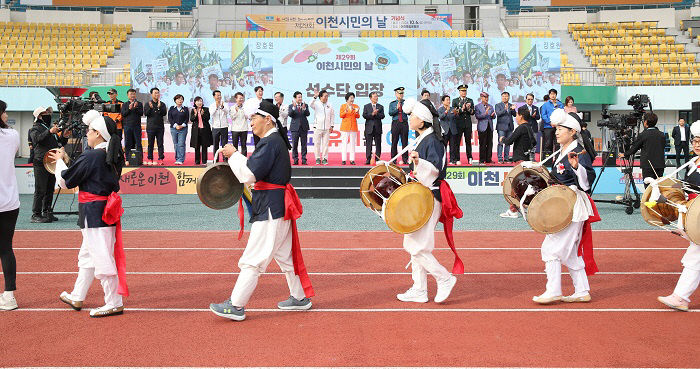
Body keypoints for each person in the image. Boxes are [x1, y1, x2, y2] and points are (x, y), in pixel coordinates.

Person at [210, 99, 313, 321]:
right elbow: (256, 170)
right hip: (278, 206)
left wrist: (234, 155)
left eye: (253, 118)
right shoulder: (275, 141)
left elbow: (249, 174)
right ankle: (299, 297)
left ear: (268, 119)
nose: (251, 124)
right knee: (285, 256)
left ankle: (236, 305)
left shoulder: (270, 142)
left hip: (270, 208)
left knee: (254, 258)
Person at [51, 111, 128, 317]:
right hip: (102, 212)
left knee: (101, 258)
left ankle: (113, 301)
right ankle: (77, 295)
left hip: (94, 213)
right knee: (87, 256)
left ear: (99, 134)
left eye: (90, 131)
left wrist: (60, 162)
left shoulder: (92, 155)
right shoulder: (112, 154)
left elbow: (66, 181)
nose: (87, 134)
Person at [394, 99, 463, 304]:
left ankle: (444, 278)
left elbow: (435, 170)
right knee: (415, 244)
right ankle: (419, 289)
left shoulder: (432, 140)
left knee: (416, 246)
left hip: (430, 196)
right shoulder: (423, 139)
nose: (409, 119)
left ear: (422, 121)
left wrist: (418, 162)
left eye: (412, 116)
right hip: (421, 197)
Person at [531, 110, 599, 304]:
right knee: (569, 253)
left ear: (572, 131)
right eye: (557, 129)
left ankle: (553, 290)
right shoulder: (562, 151)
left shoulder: (577, 152)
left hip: (571, 205)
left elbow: (587, 184)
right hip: (563, 204)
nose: (557, 132)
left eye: (561, 129)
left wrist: (578, 167)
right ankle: (582, 290)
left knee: (550, 249)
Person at [658, 121, 700, 311]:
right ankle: (680, 296)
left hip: (697, 214)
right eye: (695, 141)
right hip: (695, 214)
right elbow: (684, 185)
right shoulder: (693, 162)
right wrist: (662, 185)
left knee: (695, 257)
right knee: (695, 256)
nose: (697, 144)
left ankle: (680, 297)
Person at [499, 105, 537, 219]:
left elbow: (510, 141)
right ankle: (522, 206)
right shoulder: (529, 127)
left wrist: (502, 139)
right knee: (523, 185)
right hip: (526, 160)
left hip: (519, 160)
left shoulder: (521, 128)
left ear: (520, 116)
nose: (516, 117)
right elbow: (534, 142)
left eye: (517, 115)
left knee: (515, 186)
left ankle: (513, 210)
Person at [29, 106, 65, 223]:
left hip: (50, 162)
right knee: (40, 189)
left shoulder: (47, 128)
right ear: (39, 116)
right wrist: (49, 131)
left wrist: (65, 136)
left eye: (49, 112)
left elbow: (58, 143)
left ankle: (47, 212)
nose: (49, 114)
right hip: (40, 162)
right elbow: (37, 140)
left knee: (49, 188)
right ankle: (36, 214)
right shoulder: (35, 128)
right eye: (46, 113)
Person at [0, 100, 20, 310]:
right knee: (6, 248)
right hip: (9, 201)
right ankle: (9, 295)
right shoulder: (12, 135)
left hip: (8, 200)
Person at [622, 112, 666, 186]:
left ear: (645, 122)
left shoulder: (643, 135)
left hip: (648, 165)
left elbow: (634, 148)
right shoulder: (662, 134)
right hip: (660, 165)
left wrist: (625, 154)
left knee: (648, 187)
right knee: (658, 187)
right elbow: (663, 146)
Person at [309, 89, 334, 165]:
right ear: (320, 97)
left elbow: (332, 115)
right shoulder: (316, 104)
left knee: (325, 144)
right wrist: (314, 97)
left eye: (327, 96)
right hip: (318, 127)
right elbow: (310, 104)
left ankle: (325, 158)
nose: (326, 98)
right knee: (317, 144)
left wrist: (332, 125)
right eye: (325, 96)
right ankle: (317, 158)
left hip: (327, 128)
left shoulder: (329, 105)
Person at [451, 84, 475, 165]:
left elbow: (473, 112)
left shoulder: (470, 100)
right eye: (462, 91)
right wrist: (462, 109)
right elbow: (455, 112)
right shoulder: (455, 101)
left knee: (468, 142)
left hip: (468, 124)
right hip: (459, 123)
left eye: (465, 91)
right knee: (457, 142)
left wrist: (468, 109)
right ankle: (457, 158)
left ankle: (470, 157)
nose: (464, 92)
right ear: (459, 91)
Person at [143, 87, 167, 166]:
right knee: (150, 144)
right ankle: (150, 158)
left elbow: (164, 113)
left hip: (160, 127)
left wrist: (159, 107)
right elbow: (146, 113)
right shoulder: (148, 104)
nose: (157, 94)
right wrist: (151, 108)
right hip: (151, 127)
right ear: (151, 94)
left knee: (160, 143)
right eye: (155, 93)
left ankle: (161, 158)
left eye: (158, 93)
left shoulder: (162, 104)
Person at [539, 89, 564, 159]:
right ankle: (547, 160)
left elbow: (562, 114)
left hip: (558, 127)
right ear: (549, 95)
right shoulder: (545, 105)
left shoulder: (560, 104)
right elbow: (543, 115)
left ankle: (557, 159)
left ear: (556, 95)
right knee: (548, 143)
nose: (553, 95)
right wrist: (550, 122)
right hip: (548, 127)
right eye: (551, 94)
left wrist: (557, 123)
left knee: (558, 143)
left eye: (554, 94)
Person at [121, 89, 143, 163]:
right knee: (127, 143)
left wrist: (136, 108)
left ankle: (140, 159)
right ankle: (127, 158)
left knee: (138, 143)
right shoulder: (124, 104)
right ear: (128, 95)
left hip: (136, 126)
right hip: (127, 126)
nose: (132, 95)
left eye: (134, 94)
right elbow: (123, 114)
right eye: (131, 94)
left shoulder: (139, 104)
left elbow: (141, 113)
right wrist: (129, 109)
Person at [288, 91, 310, 165]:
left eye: (301, 97)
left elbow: (308, 114)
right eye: (298, 97)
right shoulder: (291, 106)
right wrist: (294, 107)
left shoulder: (305, 105)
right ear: (295, 98)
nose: (300, 98)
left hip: (304, 127)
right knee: (294, 145)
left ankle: (304, 159)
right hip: (295, 128)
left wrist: (304, 109)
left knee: (304, 145)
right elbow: (290, 114)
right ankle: (295, 159)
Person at [388, 87, 409, 164]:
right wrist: (397, 109)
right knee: (394, 142)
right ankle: (394, 159)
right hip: (396, 122)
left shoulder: (406, 103)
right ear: (396, 94)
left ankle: (405, 159)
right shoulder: (392, 103)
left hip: (404, 122)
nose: (401, 95)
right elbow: (390, 113)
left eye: (402, 93)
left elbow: (409, 112)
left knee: (405, 142)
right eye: (400, 93)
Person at [363, 91, 385, 164]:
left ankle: (377, 158)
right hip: (369, 128)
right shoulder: (366, 106)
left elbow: (382, 116)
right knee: (368, 144)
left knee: (378, 144)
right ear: (370, 98)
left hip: (377, 128)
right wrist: (372, 114)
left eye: (377, 96)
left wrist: (376, 114)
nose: (376, 98)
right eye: (374, 96)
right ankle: (368, 159)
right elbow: (364, 116)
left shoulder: (380, 106)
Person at [190, 96, 212, 165]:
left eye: (201, 101)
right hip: (196, 131)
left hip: (204, 130)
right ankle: (197, 161)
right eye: (198, 101)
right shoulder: (193, 110)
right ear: (195, 103)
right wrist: (196, 114)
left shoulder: (206, 109)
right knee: (197, 146)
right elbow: (192, 119)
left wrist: (202, 114)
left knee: (204, 146)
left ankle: (204, 161)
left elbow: (207, 118)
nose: (199, 102)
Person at [495, 92, 516, 163]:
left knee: (508, 143)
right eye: (503, 96)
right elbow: (498, 113)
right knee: (501, 143)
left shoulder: (511, 105)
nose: (505, 98)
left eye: (506, 96)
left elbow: (515, 115)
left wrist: (513, 109)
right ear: (501, 97)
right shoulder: (498, 105)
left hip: (510, 126)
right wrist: (506, 109)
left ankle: (506, 158)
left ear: (509, 97)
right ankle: (500, 158)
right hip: (501, 127)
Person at [474, 92, 496, 164]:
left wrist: (493, 115)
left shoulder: (491, 106)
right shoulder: (477, 106)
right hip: (482, 127)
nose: (486, 99)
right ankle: (482, 159)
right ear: (481, 98)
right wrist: (485, 113)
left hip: (489, 126)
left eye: (487, 97)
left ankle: (488, 159)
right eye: (484, 97)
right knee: (482, 144)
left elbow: (493, 117)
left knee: (490, 143)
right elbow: (478, 117)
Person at [339, 92, 360, 165]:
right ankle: (343, 159)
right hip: (345, 126)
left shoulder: (356, 106)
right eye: (351, 98)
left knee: (352, 143)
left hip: (353, 126)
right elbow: (341, 115)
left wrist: (357, 112)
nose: (352, 99)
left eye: (353, 98)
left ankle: (352, 159)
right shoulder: (343, 106)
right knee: (344, 143)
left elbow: (358, 116)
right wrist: (346, 111)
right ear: (347, 99)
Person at [167, 94, 189, 165]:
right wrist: (175, 125)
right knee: (176, 144)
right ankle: (177, 158)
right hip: (174, 128)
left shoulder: (185, 108)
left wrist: (182, 126)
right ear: (175, 100)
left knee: (181, 144)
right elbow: (170, 118)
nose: (180, 100)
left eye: (181, 99)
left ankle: (181, 159)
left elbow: (187, 119)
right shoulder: (172, 108)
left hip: (183, 129)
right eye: (178, 99)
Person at [209, 90, 229, 162]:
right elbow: (211, 113)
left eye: (220, 95)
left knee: (224, 145)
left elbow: (227, 112)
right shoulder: (212, 105)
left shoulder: (225, 104)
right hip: (215, 127)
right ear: (214, 96)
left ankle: (225, 159)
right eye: (217, 95)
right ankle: (215, 160)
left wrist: (222, 107)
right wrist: (216, 106)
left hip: (224, 126)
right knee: (215, 145)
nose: (219, 97)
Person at [438, 95, 458, 162]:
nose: (448, 101)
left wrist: (456, 114)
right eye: (447, 100)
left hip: (452, 130)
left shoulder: (453, 109)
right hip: (444, 130)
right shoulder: (440, 109)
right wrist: (446, 111)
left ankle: (452, 160)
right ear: (443, 101)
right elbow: (440, 117)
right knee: (444, 147)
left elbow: (457, 118)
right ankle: (444, 160)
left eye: (449, 100)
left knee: (453, 146)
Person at [229, 92, 248, 157]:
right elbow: (232, 117)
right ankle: (235, 159)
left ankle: (244, 159)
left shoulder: (245, 107)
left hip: (244, 129)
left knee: (244, 145)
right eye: (239, 98)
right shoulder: (232, 107)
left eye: (242, 98)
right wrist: (236, 111)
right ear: (236, 99)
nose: (241, 100)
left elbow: (247, 116)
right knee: (235, 146)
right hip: (235, 129)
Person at [523, 93, 541, 158]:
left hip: (534, 127)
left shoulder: (536, 108)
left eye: (531, 99)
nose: (530, 101)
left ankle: (532, 157)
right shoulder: (522, 108)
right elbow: (521, 118)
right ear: (526, 100)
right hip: (525, 128)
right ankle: (525, 157)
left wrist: (534, 116)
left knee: (534, 143)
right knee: (525, 142)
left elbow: (538, 117)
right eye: (528, 99)